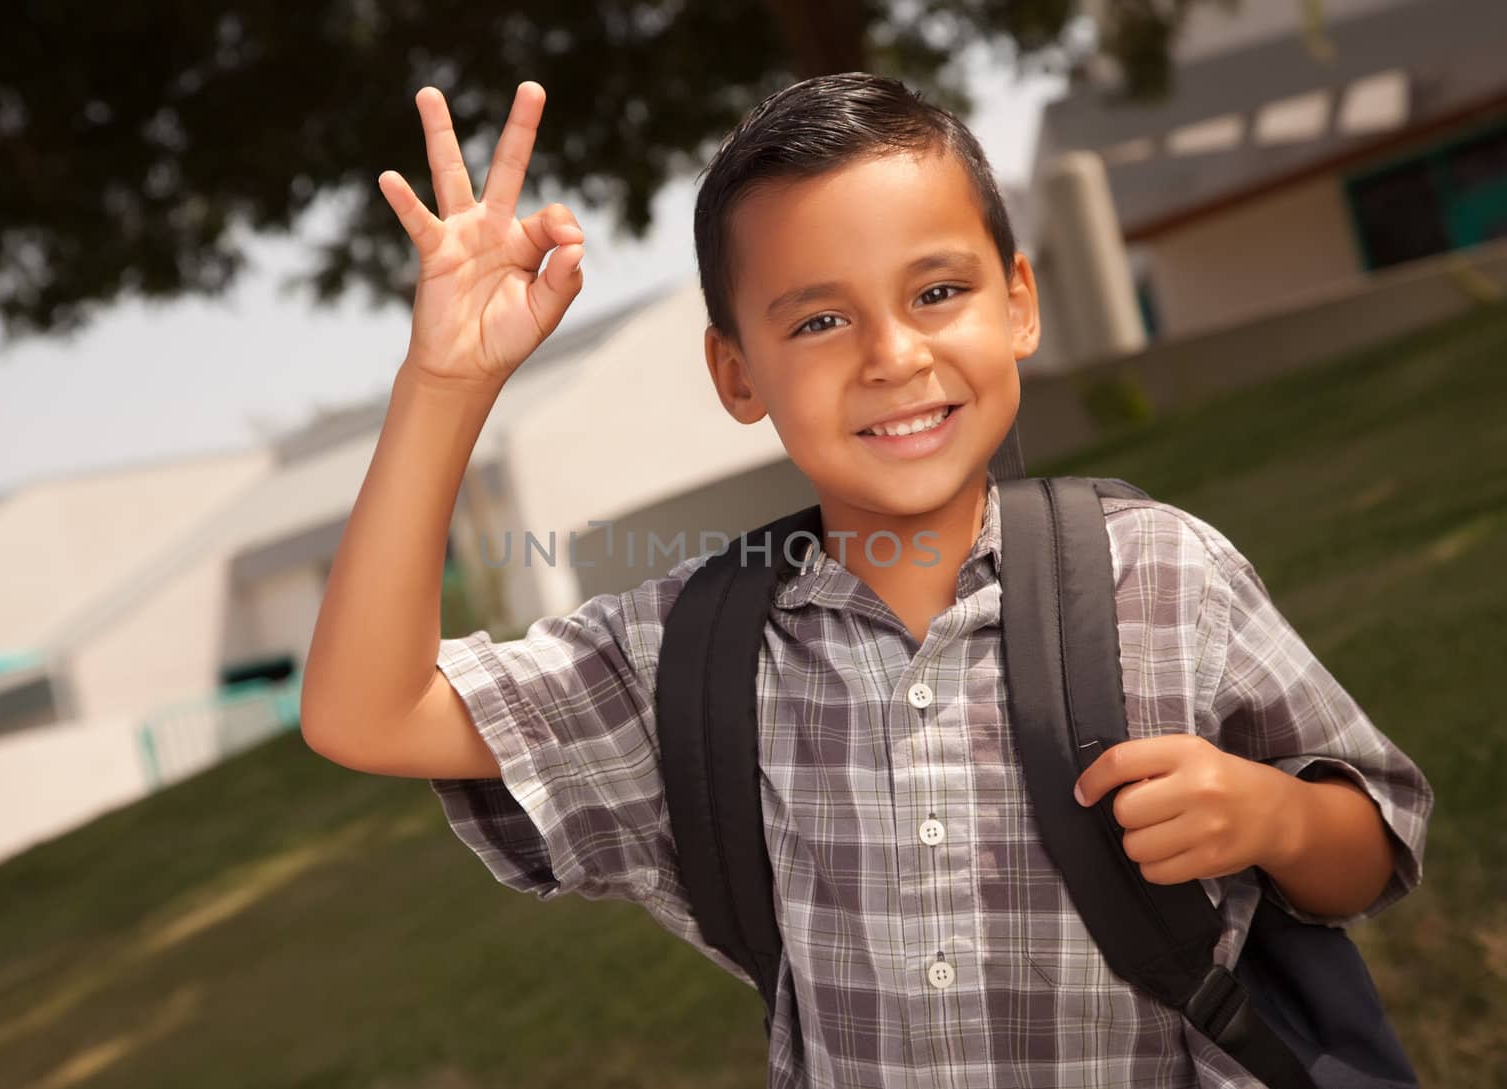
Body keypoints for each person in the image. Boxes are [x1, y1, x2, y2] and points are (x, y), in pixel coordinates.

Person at [301, 72, 1434, 1088]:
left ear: (1019, 302)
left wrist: (1275, 816)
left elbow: (1372, 848)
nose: (892, 355)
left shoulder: (1163, 571)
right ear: (736, 374)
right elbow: (368, 712)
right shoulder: (688, 654)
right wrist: (446, 383)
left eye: (937, 292)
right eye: (822, 319)